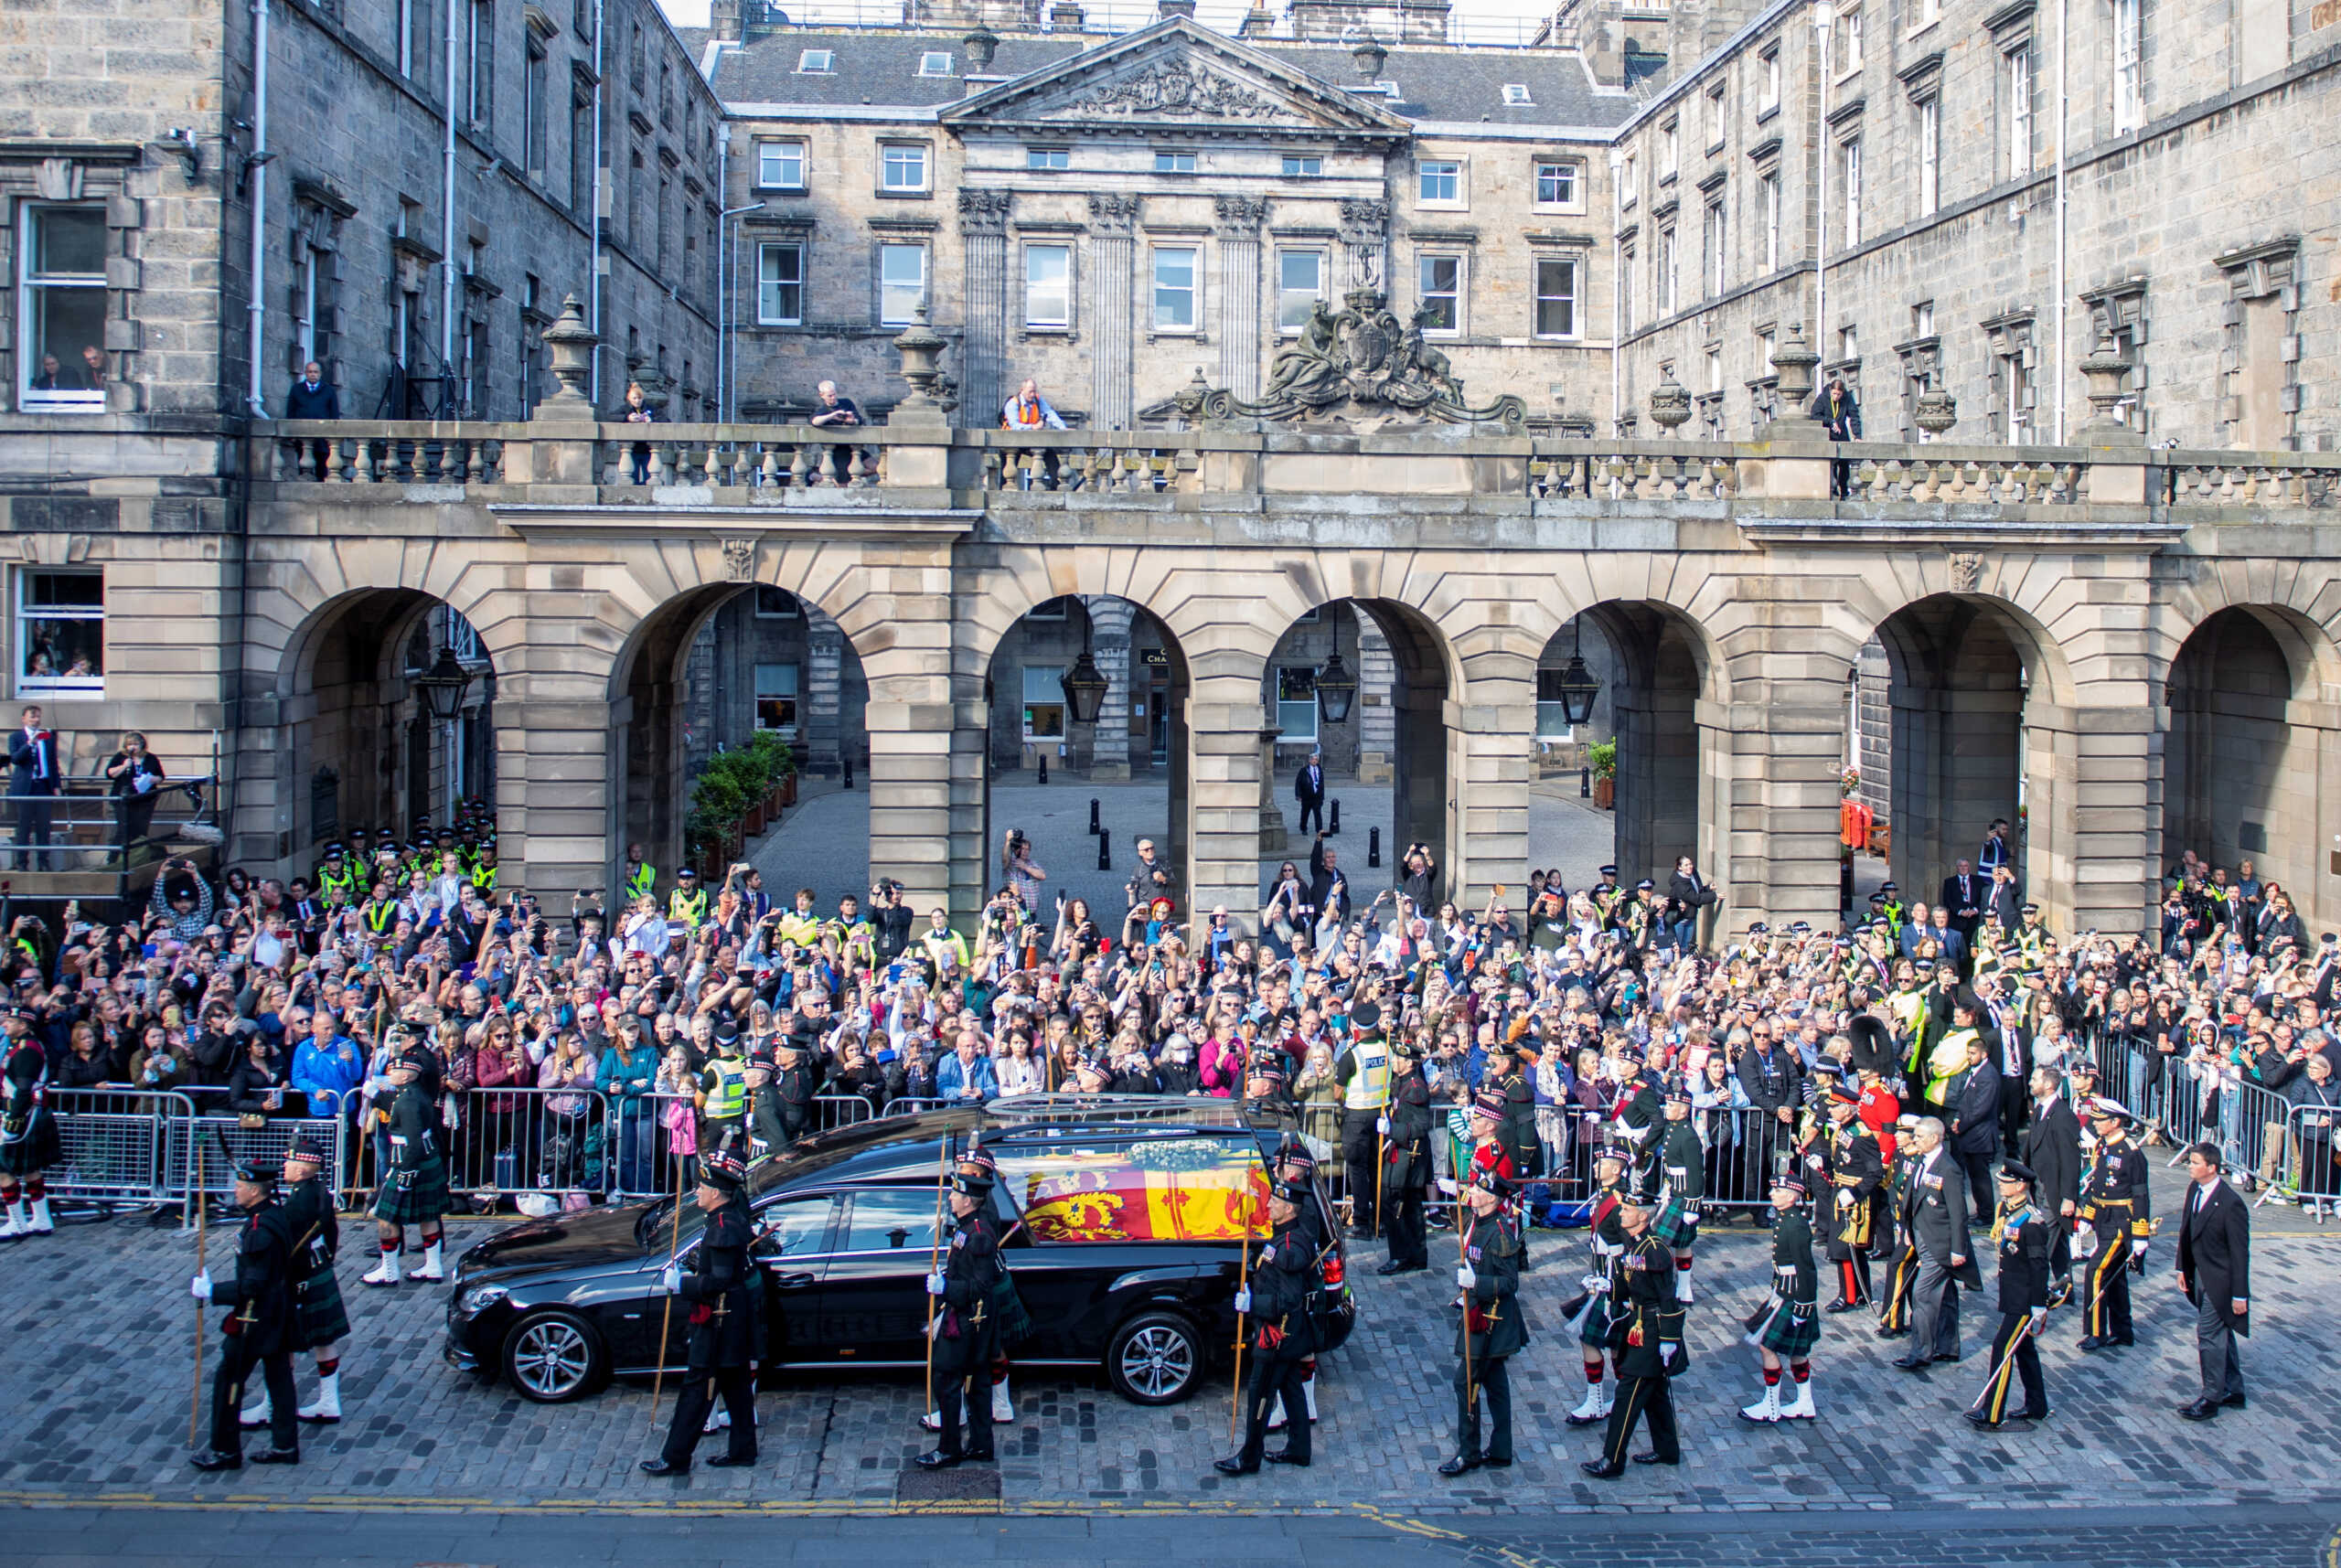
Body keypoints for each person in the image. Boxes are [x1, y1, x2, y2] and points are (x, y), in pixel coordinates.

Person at [642, 1146, 760, 1473]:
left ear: (718, 1194)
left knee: (697, 1390)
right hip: (731, 1321)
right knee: (736, 1388)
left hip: (720, 1322)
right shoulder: (724, 1219)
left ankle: (676, 1456)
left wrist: (684, 1284)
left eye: (703, 1188)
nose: (698, 1192)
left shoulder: (723, 1226)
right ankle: (742, 1450)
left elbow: (719, 1281)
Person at [189, 1156, 301, 1470]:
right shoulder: (273, 1216)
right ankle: (284, 1444)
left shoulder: (259, 1230)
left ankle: (225, 1450)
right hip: (278, 1313)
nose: (235, 1191)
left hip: (256, 1319)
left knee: (229, 1382)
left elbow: (253, 1285)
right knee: (279, 1380)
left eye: (240, 1186)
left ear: (255, 1191)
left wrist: (212, 1292)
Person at [241, 1135, 350, 1429]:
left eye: (290, 1161)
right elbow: (332, 1235)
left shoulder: (298, 1202)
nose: (285, 1165)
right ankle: (329, 1401)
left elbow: (283, 1243)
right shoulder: (319, 1193)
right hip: (319, 1268)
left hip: (301, 1275)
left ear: (303, 1169)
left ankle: (272, 1406)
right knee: (323, 1340)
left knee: (282, 1343)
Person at [1216, 1176, 1319, 1476]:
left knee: (1260, 1392)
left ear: (1289, 1210)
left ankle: (1249, 1457)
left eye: (1276, 1201)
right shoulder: (1286, 1236)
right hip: (1289, 1334)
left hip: (1277, 1334)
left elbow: (1287, 1299)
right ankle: (1300, 1449)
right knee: (1291, 1389)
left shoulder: (1288, 1247)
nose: (1269, 1203)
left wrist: (1253, 1305)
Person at [1579, 1193, 1684, 1477]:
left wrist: (1669, 1339)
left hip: (1652, 1330)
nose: (1622, 1214)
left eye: (1627, 1210)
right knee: (1655, 1394)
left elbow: (1668, 1298)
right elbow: (1631, 1285)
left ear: (1644, 1216)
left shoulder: (1655, 1250)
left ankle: (1612, 1458)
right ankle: (1667, 1450)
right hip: (1638, 1324)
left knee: (1627, 1395)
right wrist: (1607, 1286)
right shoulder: (1635, 1246)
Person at [1439, 1168, 1526, 1477]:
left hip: (1491, 1322)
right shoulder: (1479, 1223)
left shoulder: (1500, 1233)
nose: (1471, 1193)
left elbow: (1509, 1283)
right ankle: (1501, 1450)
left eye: (1477, 1190)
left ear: (1491, 1199)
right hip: (1479, 1312)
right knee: (1495, 1384)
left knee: (1465, 1383)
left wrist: (1476, 1285)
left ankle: (1469, 1452)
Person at [919, 1160, 1007, 1469]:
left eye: (955, 1195)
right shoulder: (968, 1228)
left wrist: (946, 1287)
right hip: (971, 1318)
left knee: (948, 1380)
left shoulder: (979, 1236)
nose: (951, 1199)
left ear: (968, 1200)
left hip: (971, 1321)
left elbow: (980, 1287)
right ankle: (981, 1445)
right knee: (978, 1384)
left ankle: (949, 1448)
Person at [1964, 1158, 2051, 1428]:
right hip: (2012, 1292)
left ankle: (1992, 1413)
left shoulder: (2032, 1222)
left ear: (2022, 1185)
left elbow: (2039, 1267)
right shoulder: (2009, 1211)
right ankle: (2037, 1405)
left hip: (2024, 1298)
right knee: (2023, 1350)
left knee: (2002, 1348)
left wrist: (2039, 1304)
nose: (2001, 1186)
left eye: (2007, 1182)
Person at [1893, 1115, 1979, 1371]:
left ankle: (1920, 1352)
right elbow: (1914, 1197)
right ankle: (1947, 1346)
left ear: (1934, 1138)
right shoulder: (1922, 1159)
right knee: (1946, 1294)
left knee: (1923, 1294)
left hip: (1941, 1243)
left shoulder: (1948, 1168)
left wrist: (1957, 1249)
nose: (1914, 1139)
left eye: (1919, 1136)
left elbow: (1957, 1212)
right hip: (1922, 1234)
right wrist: (1909, 1228)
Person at [362, 1042, 450, 1286]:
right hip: (425, 1161)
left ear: (406, 1074)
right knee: (428, 1215)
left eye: (393, 1070)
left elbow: (412, 1141)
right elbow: (394, 1103)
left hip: (409, 1162)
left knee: (385, 1216)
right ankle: (433, 1266)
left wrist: (407, 1171)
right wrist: (374, 1095)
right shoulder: (414, 1093)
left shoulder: (408, 1102)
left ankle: (388, 1270)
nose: (390, 1074)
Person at [2175, 1141, 2250, 1420]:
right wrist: (2182, 1268)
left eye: (2195, 1162)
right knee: (2221, 1334)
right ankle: (2233, 1388)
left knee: (2208, 1335)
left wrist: (2240, 1295)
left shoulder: (2231, 1204)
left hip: (2222, 1282)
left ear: (2212, 1167)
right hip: (2199, 1275)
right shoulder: (2195, 1189)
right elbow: (2186, 1231)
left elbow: (2241, 1254)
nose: (2190, 1166)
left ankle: (2211, 1397)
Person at [1739, 1171, 1821, 1423]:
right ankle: (1805, 1402)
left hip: (1794, 1295)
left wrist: (1803, 1307)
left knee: (1767, 1346)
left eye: (1779, 1191)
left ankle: (1771, 1405)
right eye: (1773, 1189)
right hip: (1784, 1291)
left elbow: (1806, 1269)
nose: (1772, 1193)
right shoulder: (1786, 1219)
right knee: (1798, 1351)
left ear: (1793, 1196)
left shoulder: (1795, 1225)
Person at [2077, 1095, 2150, 1351]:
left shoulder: (2131, 1153)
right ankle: (2123, 1330)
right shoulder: (2102, 1146)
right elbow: (2098, 1186)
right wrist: (2088, 1215)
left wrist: (2140, 1234)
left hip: (2121, 1221)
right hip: (2103, 1218)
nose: (2096, 1124)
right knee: (2114, 1276)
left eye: (2101, 1120)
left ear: (2116, 1122)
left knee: (2095, 1271)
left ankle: (2096, 1331)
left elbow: (2141, 1195)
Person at [2020, 1067, 2083, 1304]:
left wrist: (2069, 1197)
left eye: (2035, 1079)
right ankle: (2065, 1290)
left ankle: (2031, 1292)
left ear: (2048, 1084)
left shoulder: (2063, 1115)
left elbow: (2070, 1160)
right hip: (2039, 1185)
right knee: (2058, 1247)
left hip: (2054, 1190)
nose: (2030, 1082)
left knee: (2041, 1242)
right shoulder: (2039, 1110)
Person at [0, 1007, 61, 1239]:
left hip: (24, 1115)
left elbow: (24, 1090)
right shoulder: (22, 1046)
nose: (5, 1024)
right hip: (29, 1114)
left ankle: (17, 1223)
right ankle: (42, 1219)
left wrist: (12, 1124)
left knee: (3, 1169)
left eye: (10, 1021)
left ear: (23, 1025)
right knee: (30, 1169)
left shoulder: (27, 1050)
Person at [1378, 1032, 1431, 1274]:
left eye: (1399, 1057)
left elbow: (1420, 1126)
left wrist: (1393, 1129)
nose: (1395, 1061)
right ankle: (1412, 1254)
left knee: (1398, 1203)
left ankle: (1403, 1255)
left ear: (1410, 1062)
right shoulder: (1401, 1082)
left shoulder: (1415, 1088)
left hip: (1410, 1154)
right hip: (1400, 1149)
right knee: (1407, 1205)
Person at [8, 705, 59, 869]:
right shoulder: (16, 737)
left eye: (38, 717)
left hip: (43, 786)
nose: (36, 720)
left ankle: (43, 862)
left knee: (44, 826)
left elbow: (52, 763)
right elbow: (15, 759)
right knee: (24, 826)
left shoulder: (48, 737)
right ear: (24, 718)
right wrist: (30, 743)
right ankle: (22, 862)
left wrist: (56, 786)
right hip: (25, 787)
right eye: (32, 717)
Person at [103, 730, 168, 855]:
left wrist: (150, 779)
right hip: (124, 798)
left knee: (140, 829)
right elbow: (109, 773)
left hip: (145, 799)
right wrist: (124, 766)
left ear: (142, 744)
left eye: (136, 744)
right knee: (124, 828)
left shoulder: (151, 758)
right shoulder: (121, 757)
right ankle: (114, 858)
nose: (132, 747)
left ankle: (137, 856)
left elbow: (160, 776)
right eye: (129, 744)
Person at [1000, 378, 1067, 488]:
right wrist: (1034, 427)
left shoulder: (1037, 400)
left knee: (1049, 453)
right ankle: (1002, 491)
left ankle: (1056, 485)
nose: (1032, 394)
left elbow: (1049, 413)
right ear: (1022, 390)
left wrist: (1063, 428)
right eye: (1030, 391)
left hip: (1029, 439)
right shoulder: (1012, 403)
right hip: (1011, 441)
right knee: (1007, 471)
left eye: (1034, 391)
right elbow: (1015, 426)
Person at [283, 360, 341, 477]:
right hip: (302, 434)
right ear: (305, 373)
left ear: (320, 373)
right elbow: (291, 412)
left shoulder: (329, 391)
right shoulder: (296, 389)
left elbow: (334, 413)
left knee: (321, 466)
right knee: (304, 466)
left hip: (322, 435)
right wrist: (291, 433)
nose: (313, 374)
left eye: (315, 372)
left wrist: (333, 434)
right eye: (310, 372)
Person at [806, 379, 865, 485]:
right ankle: (822, 478)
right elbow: (815, 421)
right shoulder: (824, 410)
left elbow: (859, 419)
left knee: (874, 467)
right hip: (838, 450)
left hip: (852, 446)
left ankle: (822, 478)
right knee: (842, 482)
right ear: (822, 395)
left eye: (834, 394)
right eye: (830, 396)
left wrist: (852, 421)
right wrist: (833, 415)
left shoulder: (846, 403)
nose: (833, 398)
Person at [1811, 375, 1861, 496]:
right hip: (1827, 435)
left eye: (1838, 394)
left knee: (1844, 465)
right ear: (1830, 391)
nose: (1836, 397)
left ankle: (1844, 491)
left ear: (1842, 393)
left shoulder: (1847, 398)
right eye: (1834, 394)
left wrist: (1857, 435)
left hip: (1842, 434)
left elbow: (1854, 416)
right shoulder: (1822, 398)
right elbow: (1814, 415)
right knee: (1831, 465)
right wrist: (1830, 421)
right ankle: (1832, 490)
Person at [616, 380, 659, 484]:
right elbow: (610, 417)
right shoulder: (625, 409)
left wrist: (651, 420)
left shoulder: (650, 409)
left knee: (649, 479)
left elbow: (666, 420)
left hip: (647, 448)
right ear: (629, 399)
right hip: (632, 448)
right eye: (634, 398)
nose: (637, 401)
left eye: (639, 398)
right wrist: (627, 418)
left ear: (643, 398)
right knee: (632, 478)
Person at [1294, 750, 1327, 837]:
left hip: (1317, 797)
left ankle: (1319, 829)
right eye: (1313, 759)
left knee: (1318, 814)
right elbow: (1298, 783)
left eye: (1316, 759)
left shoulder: (1320, 770)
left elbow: (1322, 784)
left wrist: (1322, 796)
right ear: (1309, 760)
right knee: (1305, 813)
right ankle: (1303, 828)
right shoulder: (1304, 770)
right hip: (1306, 796)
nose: (1314, 761)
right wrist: (1298, 795)